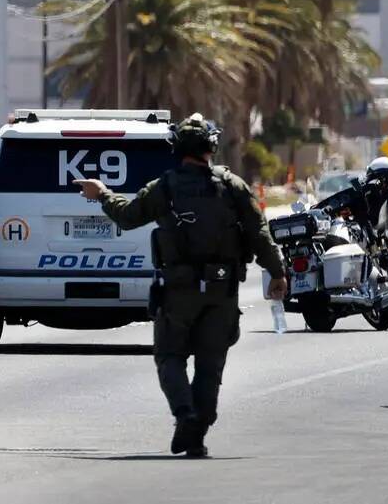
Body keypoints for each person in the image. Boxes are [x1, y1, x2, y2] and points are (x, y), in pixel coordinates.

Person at [74, 114, 287, 457]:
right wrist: (277, 273)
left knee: (170, 357)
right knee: (210, 363)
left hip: (178, 291)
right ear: (210, 148)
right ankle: (197, 432)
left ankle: (185, 415)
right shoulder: (233, 187)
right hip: (221, 291)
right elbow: (259, 235)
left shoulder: (166, 187)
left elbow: (127, 217)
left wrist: (102, 193)